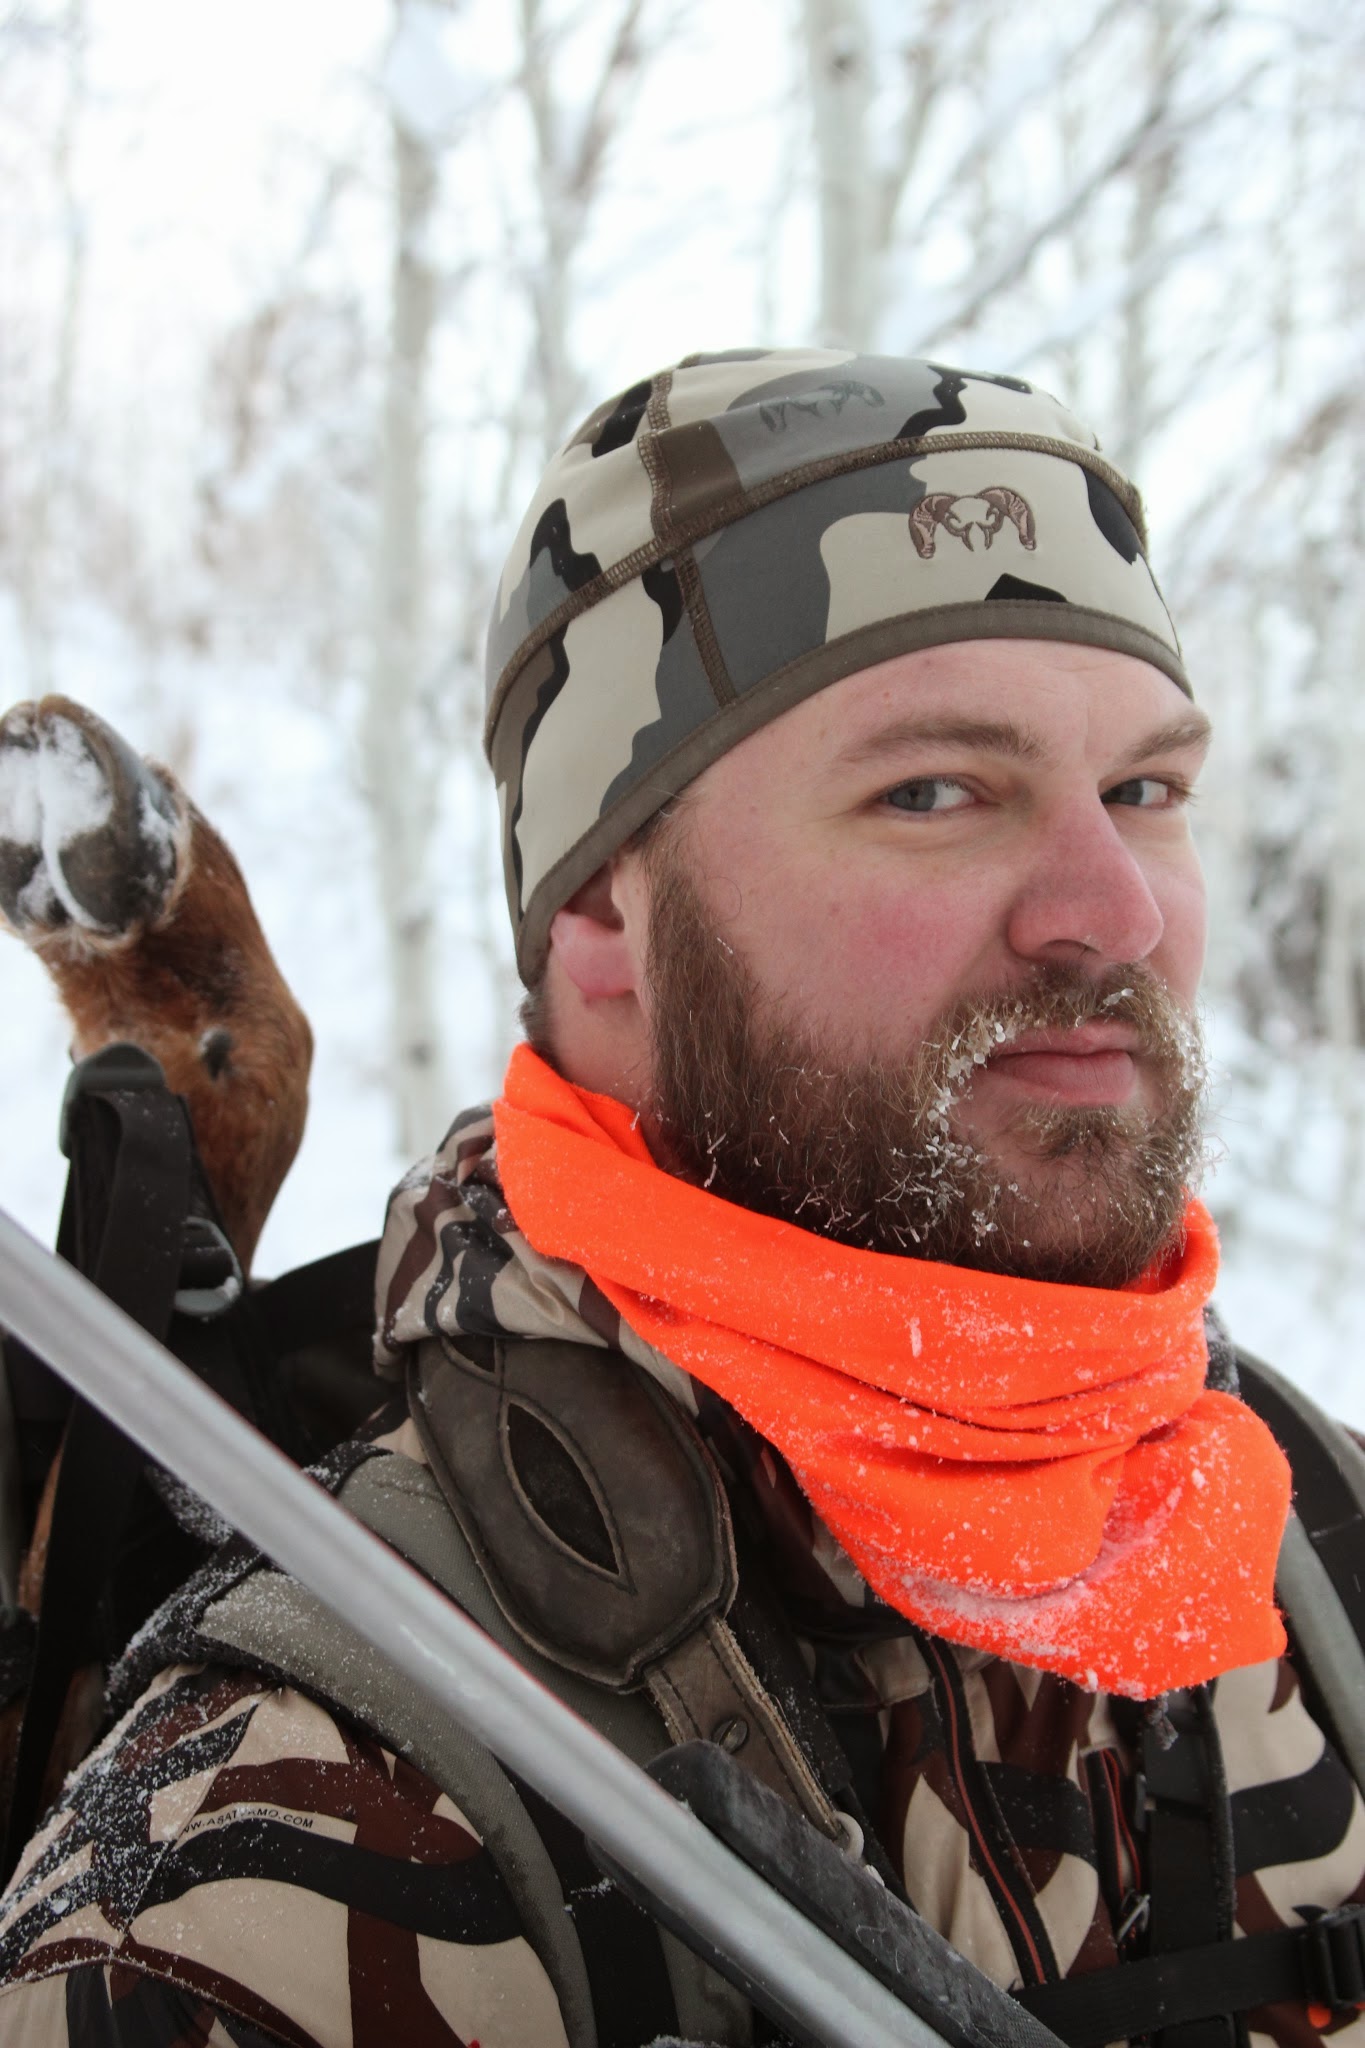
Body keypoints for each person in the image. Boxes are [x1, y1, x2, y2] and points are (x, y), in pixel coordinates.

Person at [0, 348, 1361, 2048]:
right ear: (602, 924)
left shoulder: (1316, 1542)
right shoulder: (291, 1859)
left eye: (1144, 792)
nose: (1114, 910)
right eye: (931, 791)